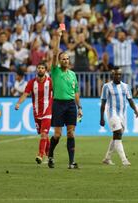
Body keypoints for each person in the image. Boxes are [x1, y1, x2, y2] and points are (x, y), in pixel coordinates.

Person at [47, 28, 83, 169]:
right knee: (57, 134)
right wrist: (59, 37)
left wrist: (79, 106)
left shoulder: (73, 74)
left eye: (67, 59)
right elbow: (55, 52)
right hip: (58, 104)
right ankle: (50, 155)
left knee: (71, 132)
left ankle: (71, 162)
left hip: (70, 105)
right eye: (63, 59)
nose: (65, 61)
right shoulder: (55, 71)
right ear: (59, 61)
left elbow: (76, 92)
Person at [100, 67, 138, 166]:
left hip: (122, 115)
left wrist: (135, 110)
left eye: (119, 74)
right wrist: (102, 117)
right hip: (112, 114)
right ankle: (124, 160)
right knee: (118, 133)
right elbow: (103, 103)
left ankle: (107, 158)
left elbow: (130, 100)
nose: (118, 76)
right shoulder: (106, 86)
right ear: (112, 75)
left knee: (117, 136)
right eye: (115, 74)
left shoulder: (126, 86)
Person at [15, 62, 52, 164]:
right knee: (44, 134)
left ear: (45, 70)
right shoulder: (31, 82)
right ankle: (49, 154)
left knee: (44, 134)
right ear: (37, 70)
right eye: (39, 68)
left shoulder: (50, 82)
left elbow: (57, 93)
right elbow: (25, 94)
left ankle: (40, 154)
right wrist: (18, 103)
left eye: (42, 68)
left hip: (48, 111)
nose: (40, 69)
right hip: (36, 113)